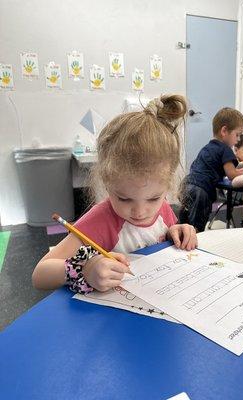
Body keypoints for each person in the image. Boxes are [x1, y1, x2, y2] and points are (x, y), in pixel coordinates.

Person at [32, 95, 197, 294]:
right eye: (124, 198)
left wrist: (177, 231)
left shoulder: (163, 209)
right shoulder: (102, 219)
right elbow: (39, 275)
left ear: (168, 186)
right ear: (107, 183)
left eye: (154, 198)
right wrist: (86, 268)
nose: (140, 211)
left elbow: (164, 234)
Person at [179, 107, 243, 232]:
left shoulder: (208, 147)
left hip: (187, 185)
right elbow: (232, 174)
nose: (238, 139)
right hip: (202, 191)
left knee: (184, 223)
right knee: (197, 228)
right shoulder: (226, 149)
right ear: (224, 130)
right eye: (237, 135)